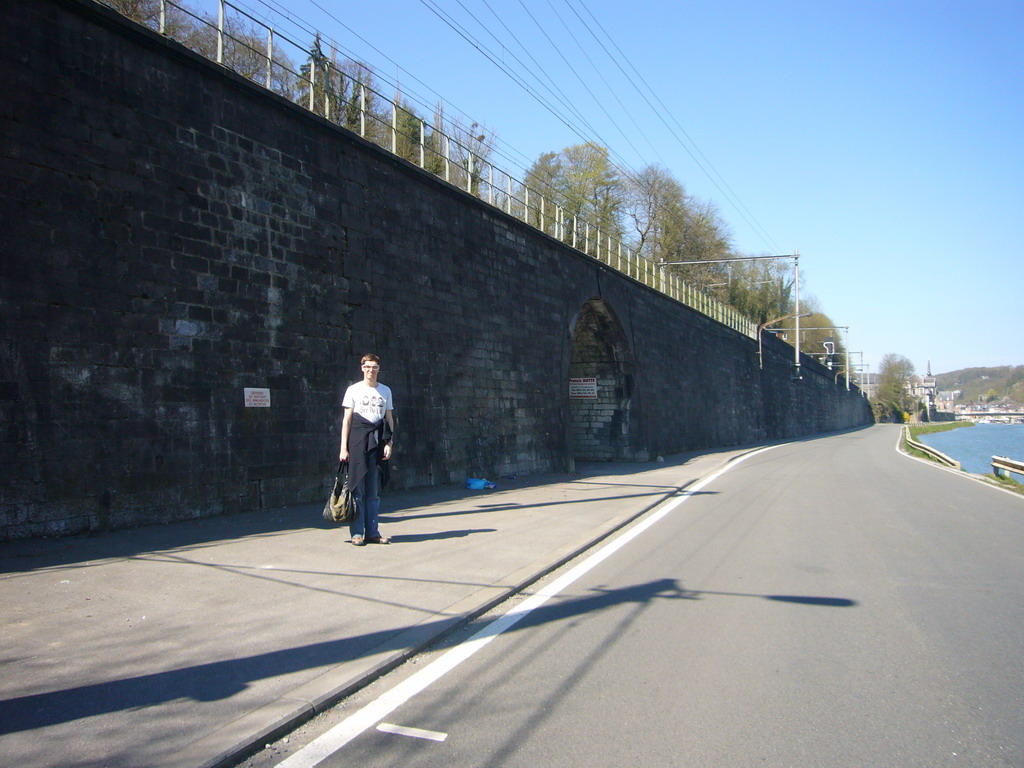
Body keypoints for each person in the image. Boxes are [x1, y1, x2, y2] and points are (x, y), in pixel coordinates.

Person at [339, 354, 395, 546]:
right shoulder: (353, 390)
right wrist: (343, 448)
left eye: (375, 367)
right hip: (357, 443)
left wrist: (389, 443)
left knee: (373, 493)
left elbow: (388, 419)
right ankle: (356, 533)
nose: (371, 370)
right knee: (357, 491)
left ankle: (372, 532)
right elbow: (347, 421)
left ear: (379, 369)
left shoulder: (385, 391)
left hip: (377, 444)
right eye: (368, 367)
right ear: (362, 368)